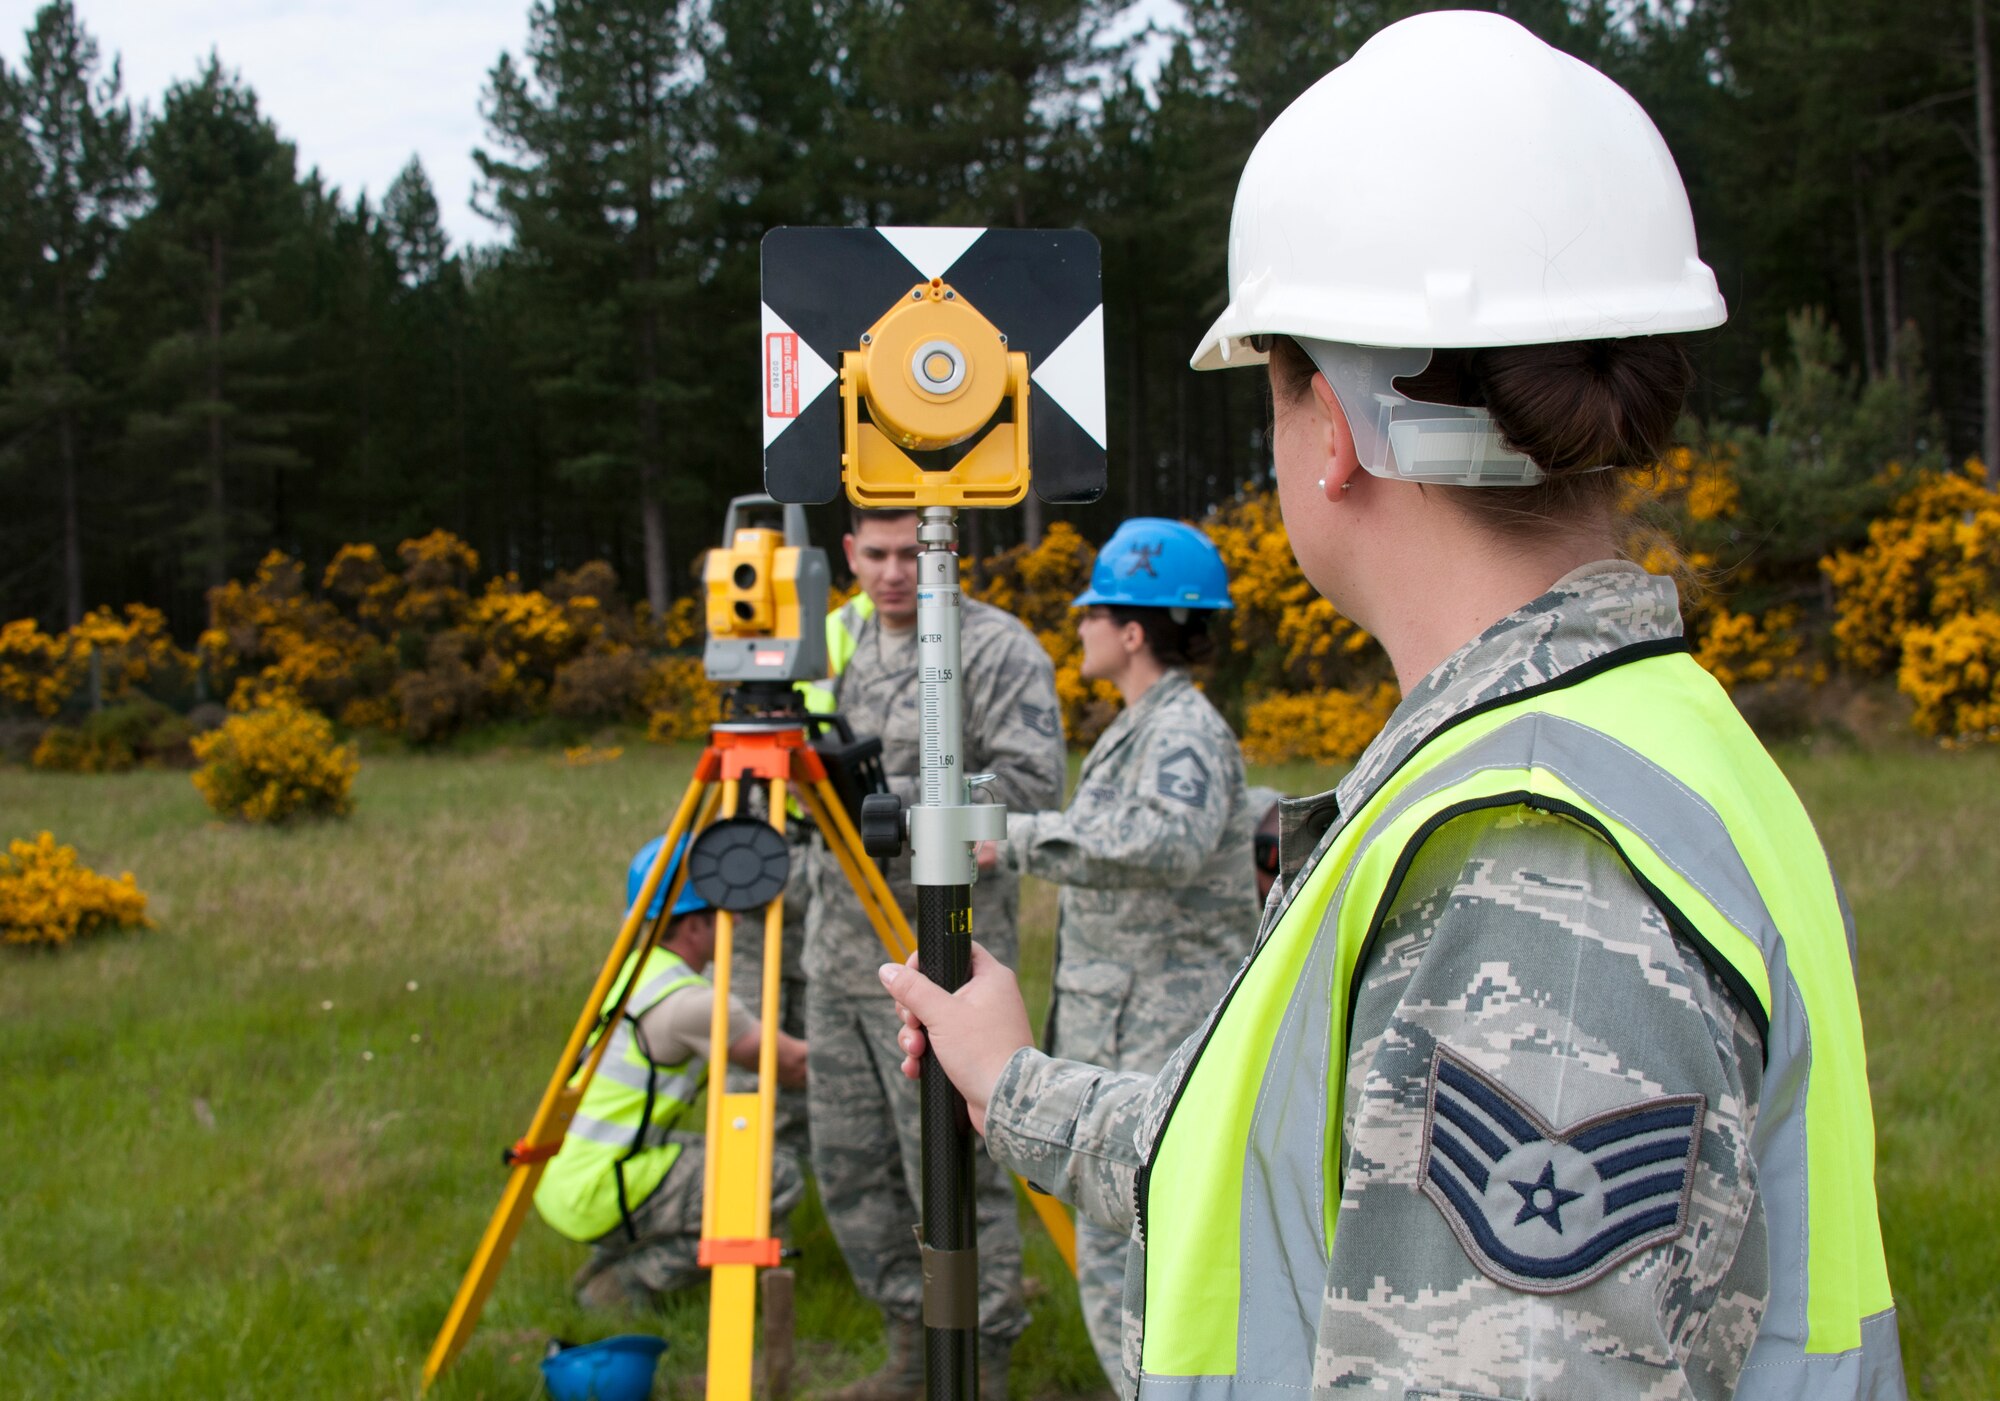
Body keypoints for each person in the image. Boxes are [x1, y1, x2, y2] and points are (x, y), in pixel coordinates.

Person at [877, 13, 1905, 1401]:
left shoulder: (1531, 862)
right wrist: (1016, 1081)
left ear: (1337, 435)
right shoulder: (1642, 739)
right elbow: (1297, 1156)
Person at [805, 506, 1066, 1401]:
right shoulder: (836, 648)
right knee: (851, 1163)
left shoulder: (995, 649)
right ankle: (908, 1351)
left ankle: (979, 1358)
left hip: (943, 962)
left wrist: (894, 794)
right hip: (836, 953)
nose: (889, 574)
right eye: (872, 555)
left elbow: (1031, 788)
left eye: (903, 555)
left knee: (951, 1171)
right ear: (849, 555)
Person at [996, 517, 1258, 1389]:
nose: (1079, 630)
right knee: (1123, 1269)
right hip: (1126, 1030)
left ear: (1133, 630)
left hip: (1162, 1039)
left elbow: (1166, 843)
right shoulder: (1145, 724)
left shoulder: (1179, 731)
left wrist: (1012, 838)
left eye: (1090, 616)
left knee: (1147, 1272)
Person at [534, 835, 808, 1310]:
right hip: (602, 1185)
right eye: (723, 910)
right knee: (772, 1174)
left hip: (566, 1172)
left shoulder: (637, 971)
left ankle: (609, 1260)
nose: (737, 920)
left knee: (724, 1153)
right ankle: (623, 1287)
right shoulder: (693, 1004)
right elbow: (793, 1065)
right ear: (693, 928)